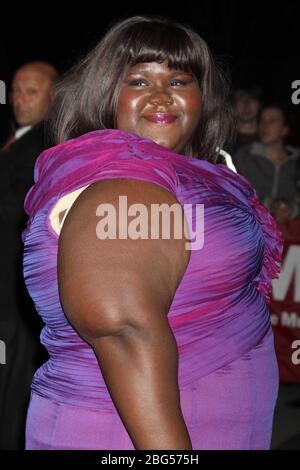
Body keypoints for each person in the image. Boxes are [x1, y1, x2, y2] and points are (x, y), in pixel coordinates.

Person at [22, 16, 283, 450]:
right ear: (107, 95)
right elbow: (124, 330)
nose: (162, 95)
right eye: (140, 81)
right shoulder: (127, 178)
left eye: (180, 80)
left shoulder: (176, 174)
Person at [0, 61, 57, 449]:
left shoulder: (45, 147)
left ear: (52, 97)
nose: (19, 99)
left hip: (16, 289)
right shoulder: (16, 139)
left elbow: (18, 207)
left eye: (31, 91)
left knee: (13, 382)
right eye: (16, 90)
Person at [233, 103, 300, 224]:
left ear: (285, 129)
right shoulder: (244, 157)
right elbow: (235, 194)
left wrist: (291, 209)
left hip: (289, 235)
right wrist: (269, 204)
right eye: (262, 120)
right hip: (250, 229)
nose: (265, 125)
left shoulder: (296, 161)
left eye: (272, 121)